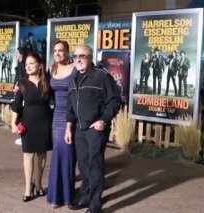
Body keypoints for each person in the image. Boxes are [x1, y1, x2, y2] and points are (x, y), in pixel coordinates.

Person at [65, 44, 121, 213]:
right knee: (83, 164)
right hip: (79, 130)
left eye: (83, 56)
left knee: (95, 164)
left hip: (96, 129)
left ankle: (95, 204)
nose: (78, 59)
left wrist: (103, 121)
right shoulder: (73, 79)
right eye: (75, 56)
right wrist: (69, 128)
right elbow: (70, 108)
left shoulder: (101, 76)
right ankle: (86, 195)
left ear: (90, 58)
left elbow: (115, 100)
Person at [11, 52, 53, 202]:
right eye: (26, 64)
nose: (27, 66)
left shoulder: (47, 82)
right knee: (28, 155)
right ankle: (28, 187)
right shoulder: (21, 83)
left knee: (42, 154)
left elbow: (57, 99)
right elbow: (16, 105)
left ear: (40, 65)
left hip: (45, 122)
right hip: (28, 123)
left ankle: (39, 183)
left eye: (31, 63)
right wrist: (13, 123)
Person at [47, 40, 76, 209]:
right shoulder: (52, 69)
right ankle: (56, 196)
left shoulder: (74, 69)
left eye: (61, 50)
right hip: (56, 118)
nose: (57, 53)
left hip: (71, 117)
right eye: (55, 50)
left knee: (69, 157)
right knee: (58, 154)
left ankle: (67, 196)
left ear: (67, 52)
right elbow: (42, 89)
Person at [12, 47, 27, 146]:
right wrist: (14, 87)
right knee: (19, 115)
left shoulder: (26, 66)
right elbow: (16, 81)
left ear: (21, 54)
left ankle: (24, 136)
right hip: (19, 95)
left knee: (24, 115)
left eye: (17, 53)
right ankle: (22, 135)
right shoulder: (19, 67)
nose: (16, 55)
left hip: (25, 95)